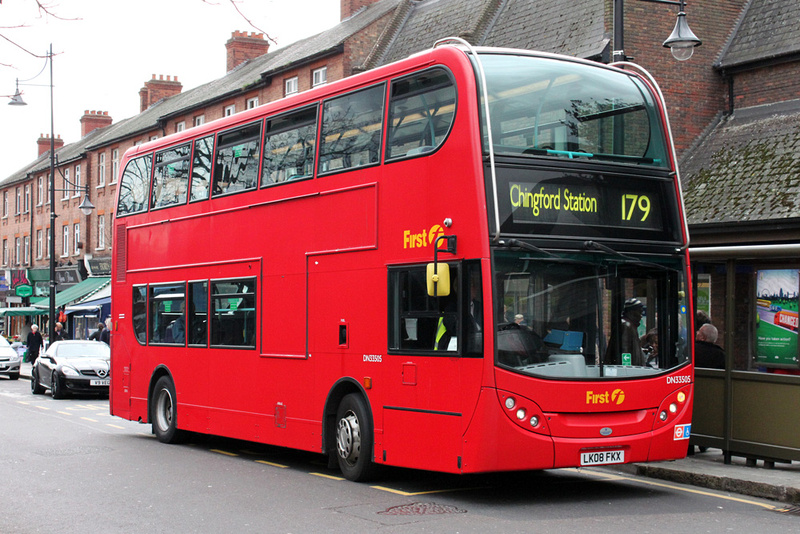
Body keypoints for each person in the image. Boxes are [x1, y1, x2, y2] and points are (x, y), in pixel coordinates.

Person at [605, 298, 645, 366]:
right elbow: (625, 351)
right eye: (639, 312)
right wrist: (627, 369)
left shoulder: (630, 326)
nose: (641, 316)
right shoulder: (626, 326)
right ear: (631, 312)